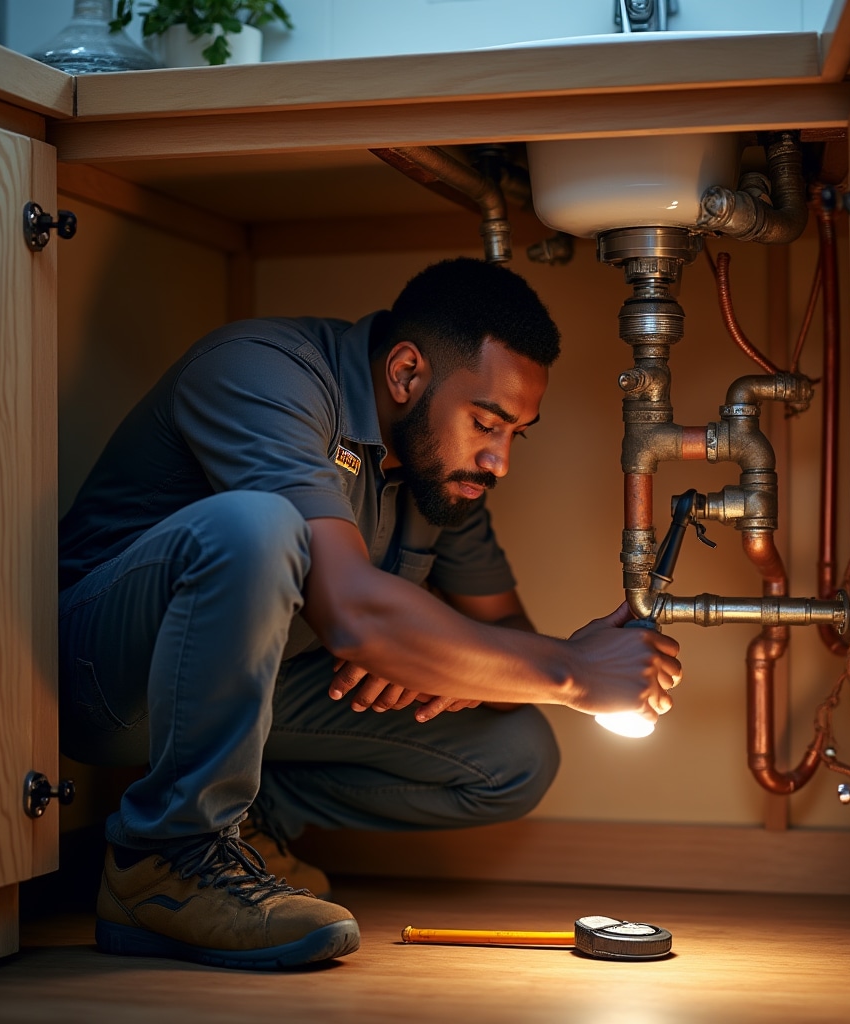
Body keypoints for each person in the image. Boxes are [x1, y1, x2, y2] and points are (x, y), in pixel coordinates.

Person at [57, 257, 683, 972]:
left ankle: (245, 827)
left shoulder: (438, 474)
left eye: (517, 434)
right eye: (486, 422)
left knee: (516, 754)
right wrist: (571, 672)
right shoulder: (265, 375)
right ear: (406, 373)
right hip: (103, 676)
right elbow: (355, 616)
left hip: (262, 689)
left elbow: (503, 634)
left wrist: (451, 665)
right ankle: (164, 859)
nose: (500, 460)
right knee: (257, 526)